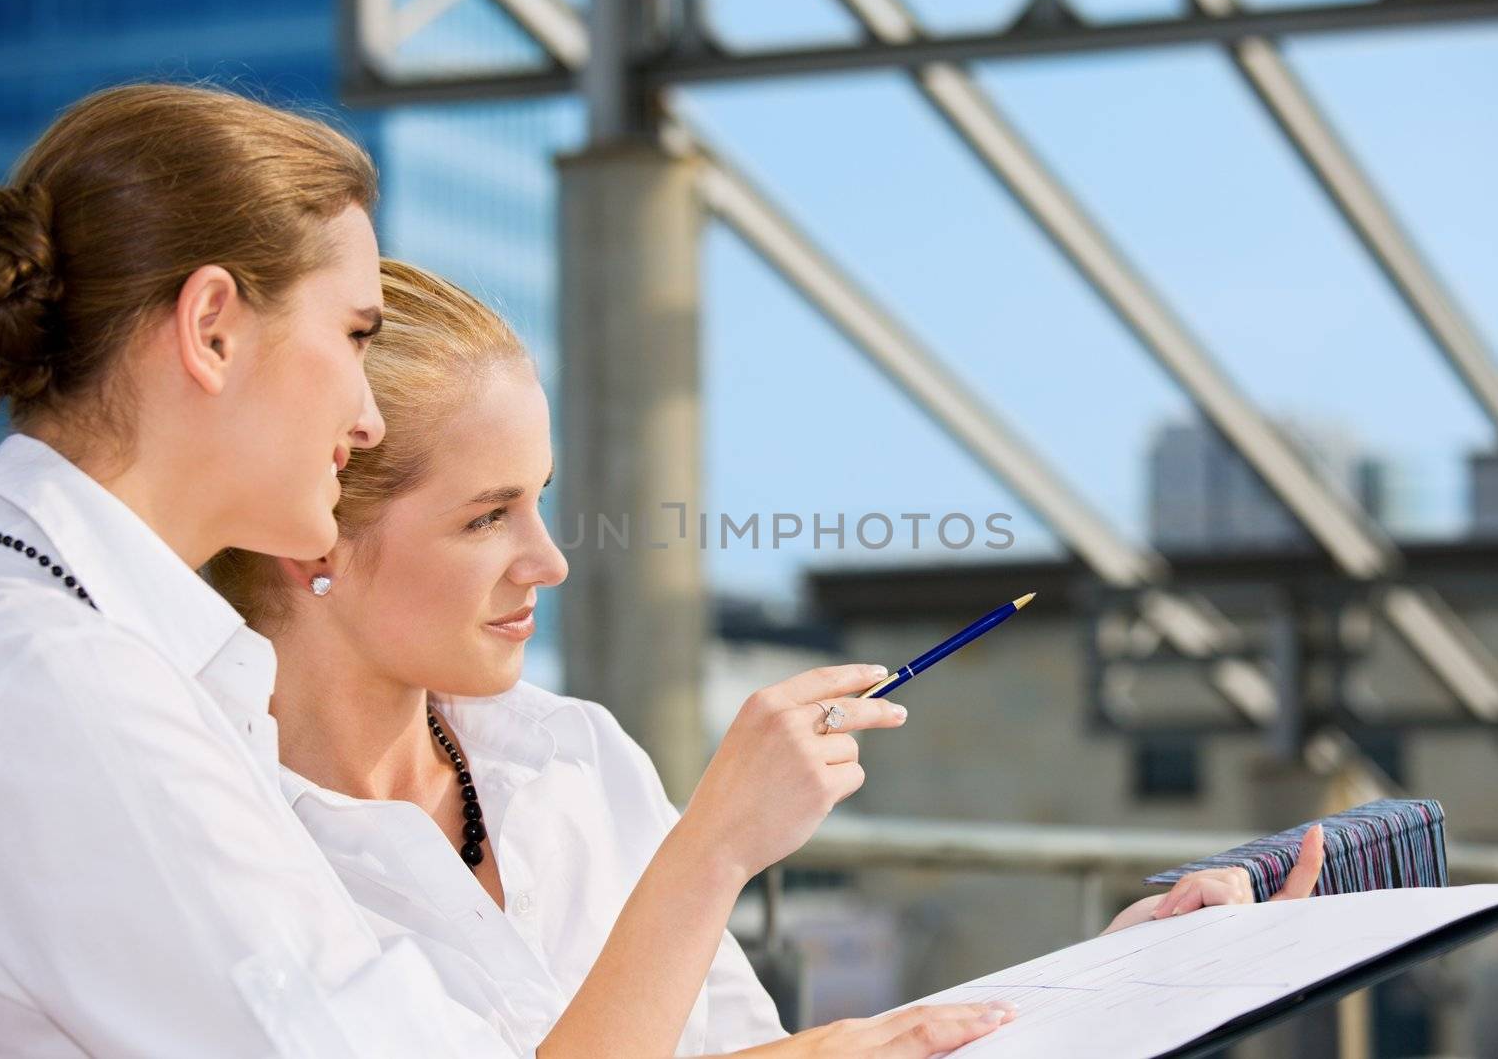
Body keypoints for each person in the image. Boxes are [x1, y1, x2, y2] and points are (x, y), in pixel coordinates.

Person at [0, 81, 1010, 1059]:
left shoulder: (101, 659)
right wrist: (712, 852)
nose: (364, 412)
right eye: (352, 335)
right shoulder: (68, 688)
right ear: (211, 330)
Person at [210, 258, 1325, 1056]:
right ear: (317, 530)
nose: (547, 561)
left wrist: (1101, 983)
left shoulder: (572, 759)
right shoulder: (219, 834)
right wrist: (713, 848)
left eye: (539, 503)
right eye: (485, 517)